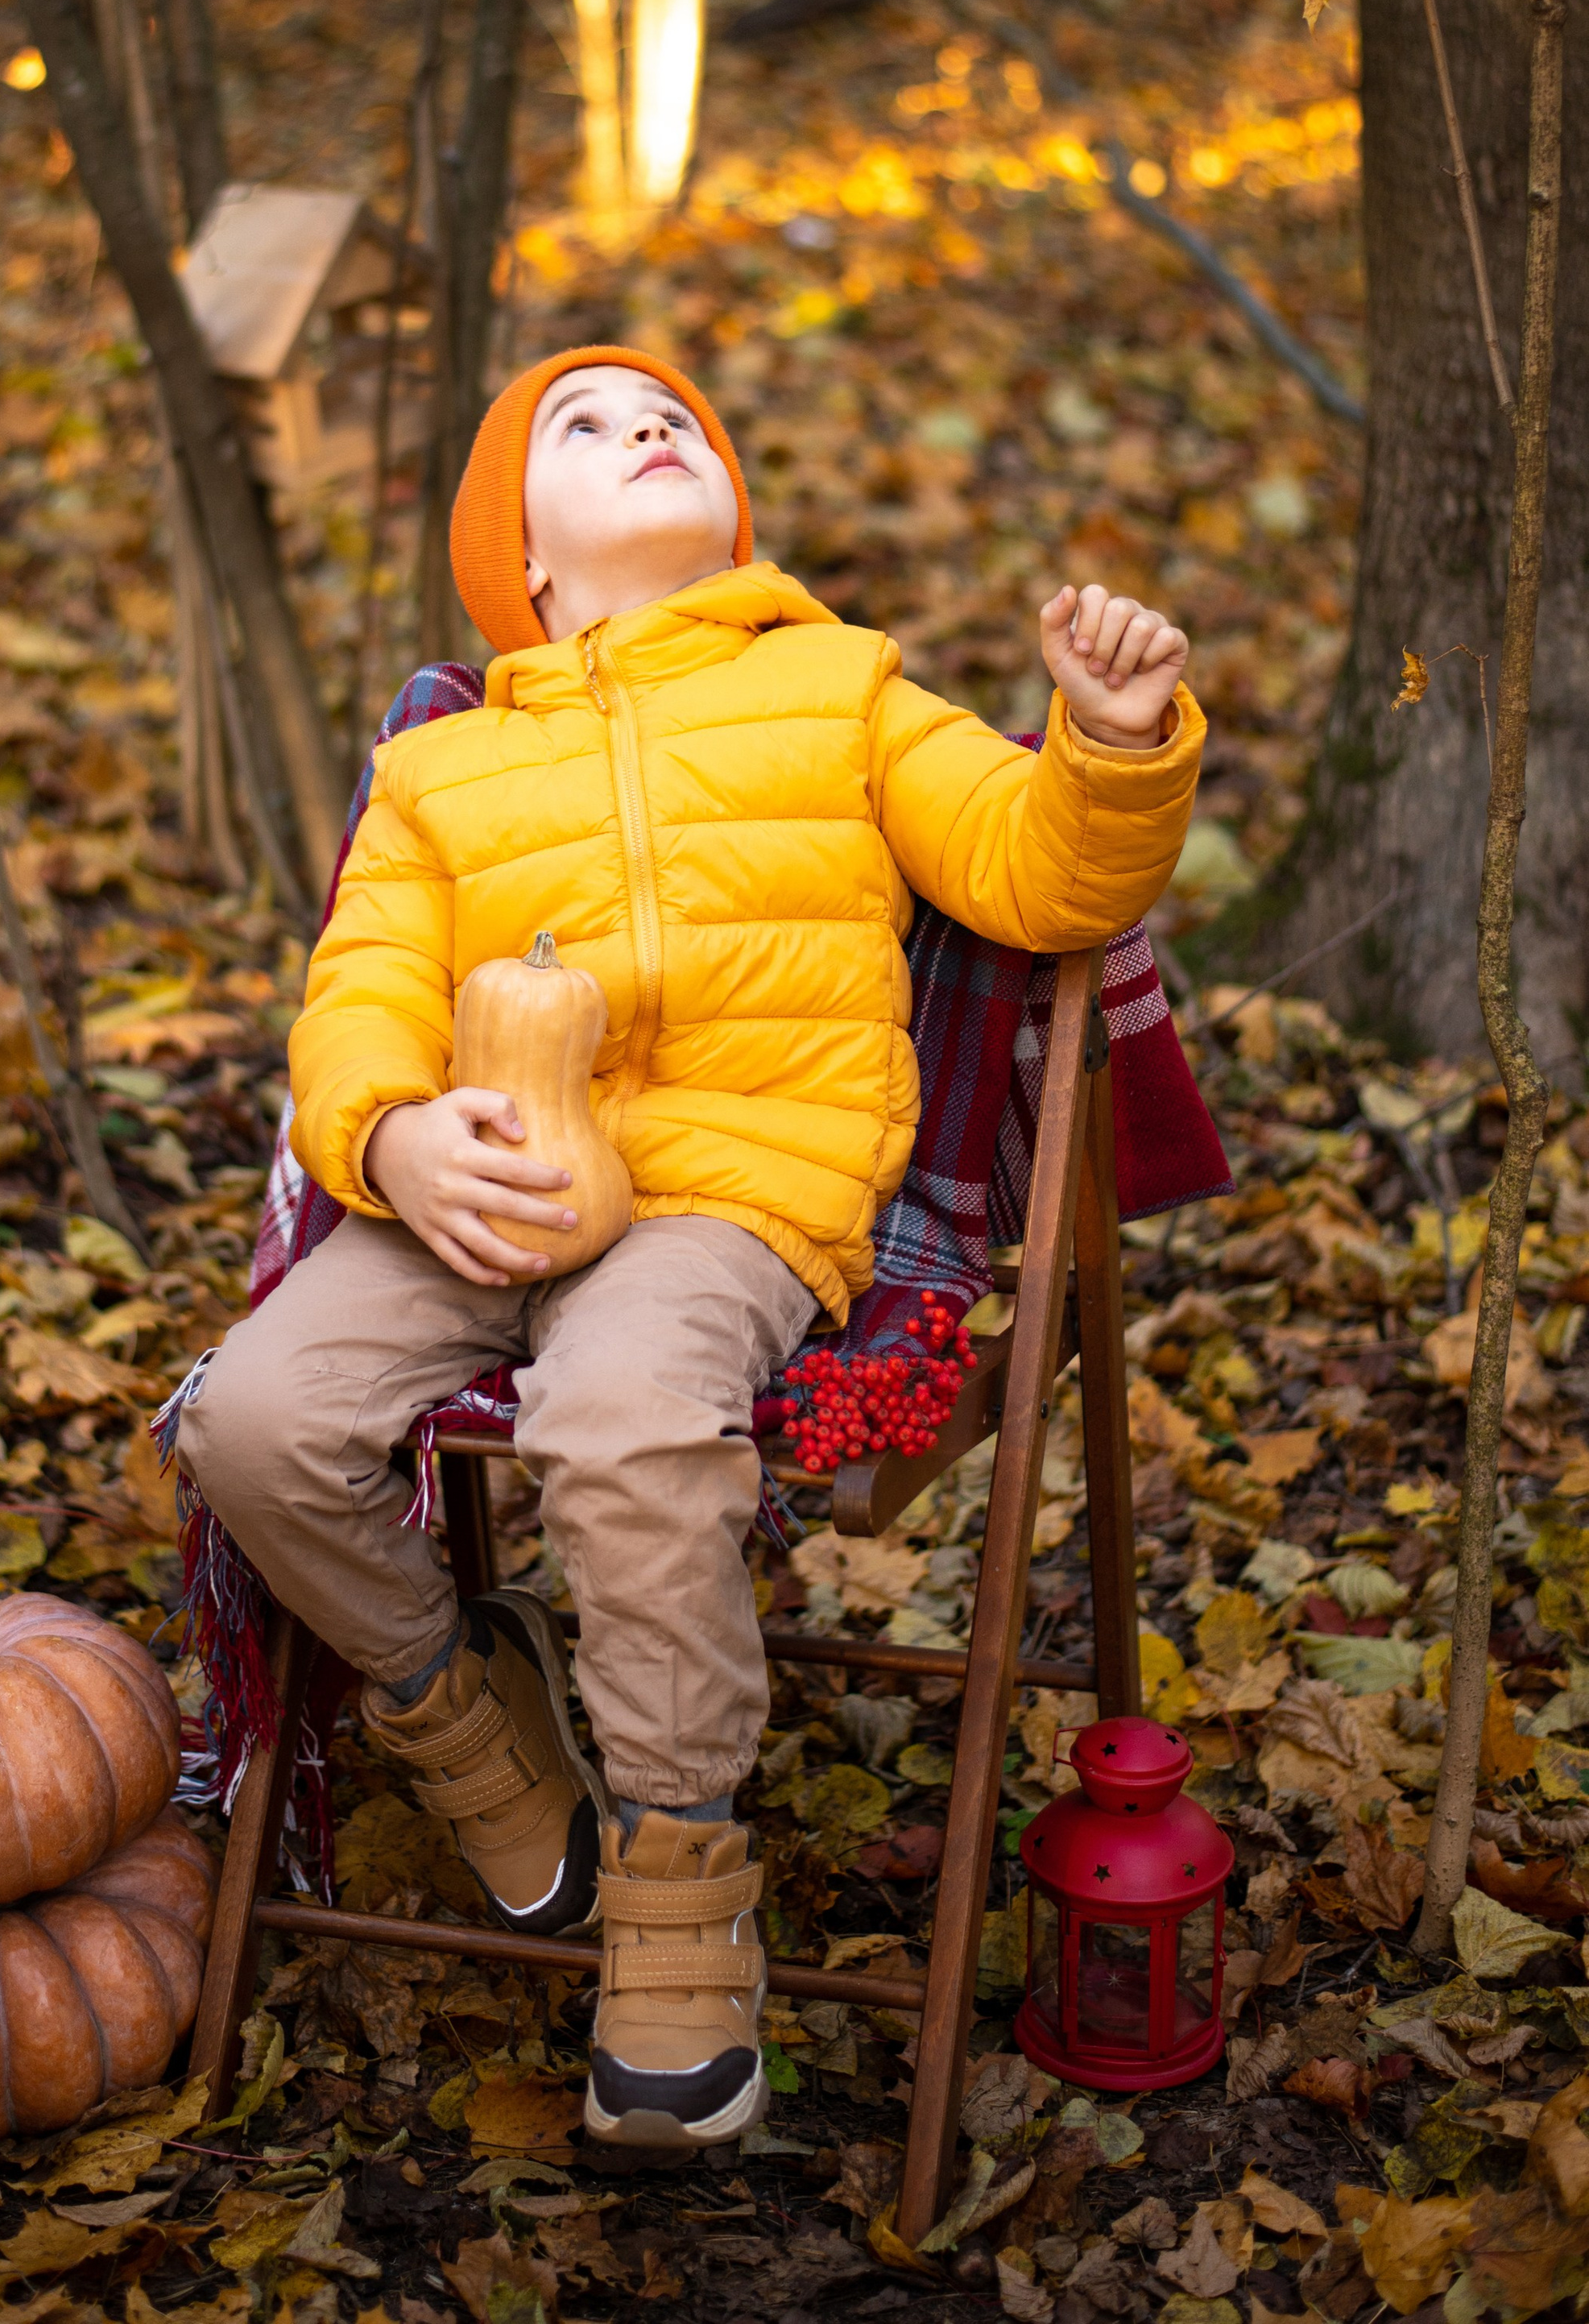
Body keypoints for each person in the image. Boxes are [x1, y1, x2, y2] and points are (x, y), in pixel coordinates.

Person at [178, 346, 1203, 2150]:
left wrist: (1108, 747)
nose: (645, 428)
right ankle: (457, 1706)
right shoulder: (441, 766)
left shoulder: (842, 690)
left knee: (619, 1415)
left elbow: (1044, 880)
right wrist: (391, 1136)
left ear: (728, 504)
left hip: (735, 1190)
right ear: (524, 563)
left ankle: (676, 1868)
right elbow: (358, 998)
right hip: (479, 1191)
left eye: (673, 419)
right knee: (251, 1421)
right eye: (582, 424)